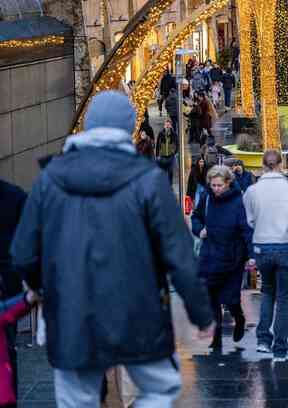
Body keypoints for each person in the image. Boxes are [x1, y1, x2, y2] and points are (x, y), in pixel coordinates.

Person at [11, 91, 215, 407]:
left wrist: (43, 287)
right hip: (137, 313)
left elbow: (23, 253)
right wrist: (202, 314)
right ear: (128, 128)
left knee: (76, 400)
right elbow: (179, 256)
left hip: (70, 315)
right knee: (162, 387)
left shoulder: (50, 178)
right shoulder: (148, 179)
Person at [243, 150, 288, 361]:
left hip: (262, 246)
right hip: (285, 245)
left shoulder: (252, 191)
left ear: (262, 165)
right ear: (280, 165)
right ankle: (280, 348)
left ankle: (263, 340)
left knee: (267, 291)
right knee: (282, 298)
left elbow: (249, 220)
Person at [192, 165, 252, 349]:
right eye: (213, 185)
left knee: (231, 298)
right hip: (210, 253)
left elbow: (245, 229)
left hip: (232, 256)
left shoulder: (238, 201)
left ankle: (239, 318)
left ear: (228, 183)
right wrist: (199, 229)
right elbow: (196, 217)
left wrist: (251, 255)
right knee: (211, 297)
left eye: (219, 185)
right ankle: (216, 337)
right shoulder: (206, 197)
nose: (216, 188)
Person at [0, 179, 26, 403]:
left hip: (7, 284)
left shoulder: (15, 197)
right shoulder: (15, 195)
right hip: (8, 285)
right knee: (7, 351)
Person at [155, 119, 178, 185]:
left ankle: (170, 184)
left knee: (170, 171)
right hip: (163, 155)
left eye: (168, 125)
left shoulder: (174, 134)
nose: (167, 126)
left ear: (170, 125)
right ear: (164, 126)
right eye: (166, 125)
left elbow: (177, 144)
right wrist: (157, 155)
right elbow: (157, 145)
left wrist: (175, 151)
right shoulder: (161, 133)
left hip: (171, 155)